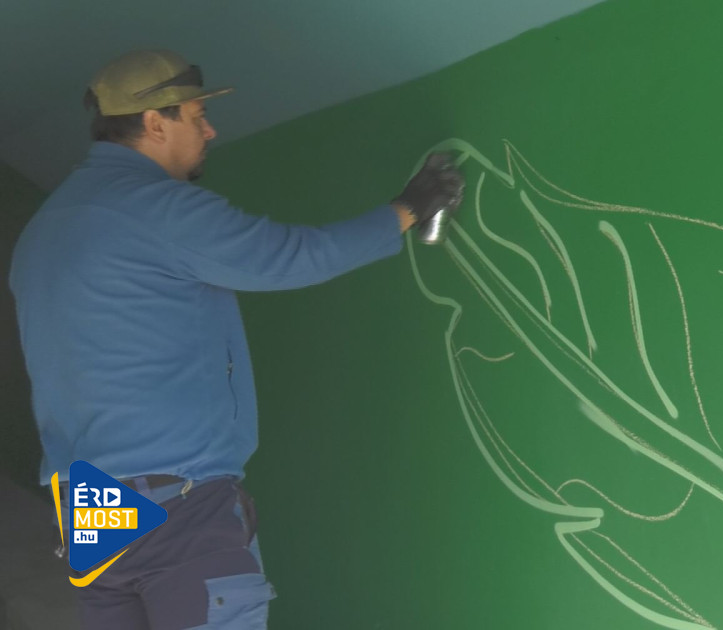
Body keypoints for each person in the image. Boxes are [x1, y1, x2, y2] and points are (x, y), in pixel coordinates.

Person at [7, 49, 464, 629]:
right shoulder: (155, 208)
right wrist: (406, 210)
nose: (210, 131)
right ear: (155, 123)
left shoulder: (45, 229)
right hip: (174, 497)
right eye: (198, 117)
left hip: (88, 507)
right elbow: (288, 257)